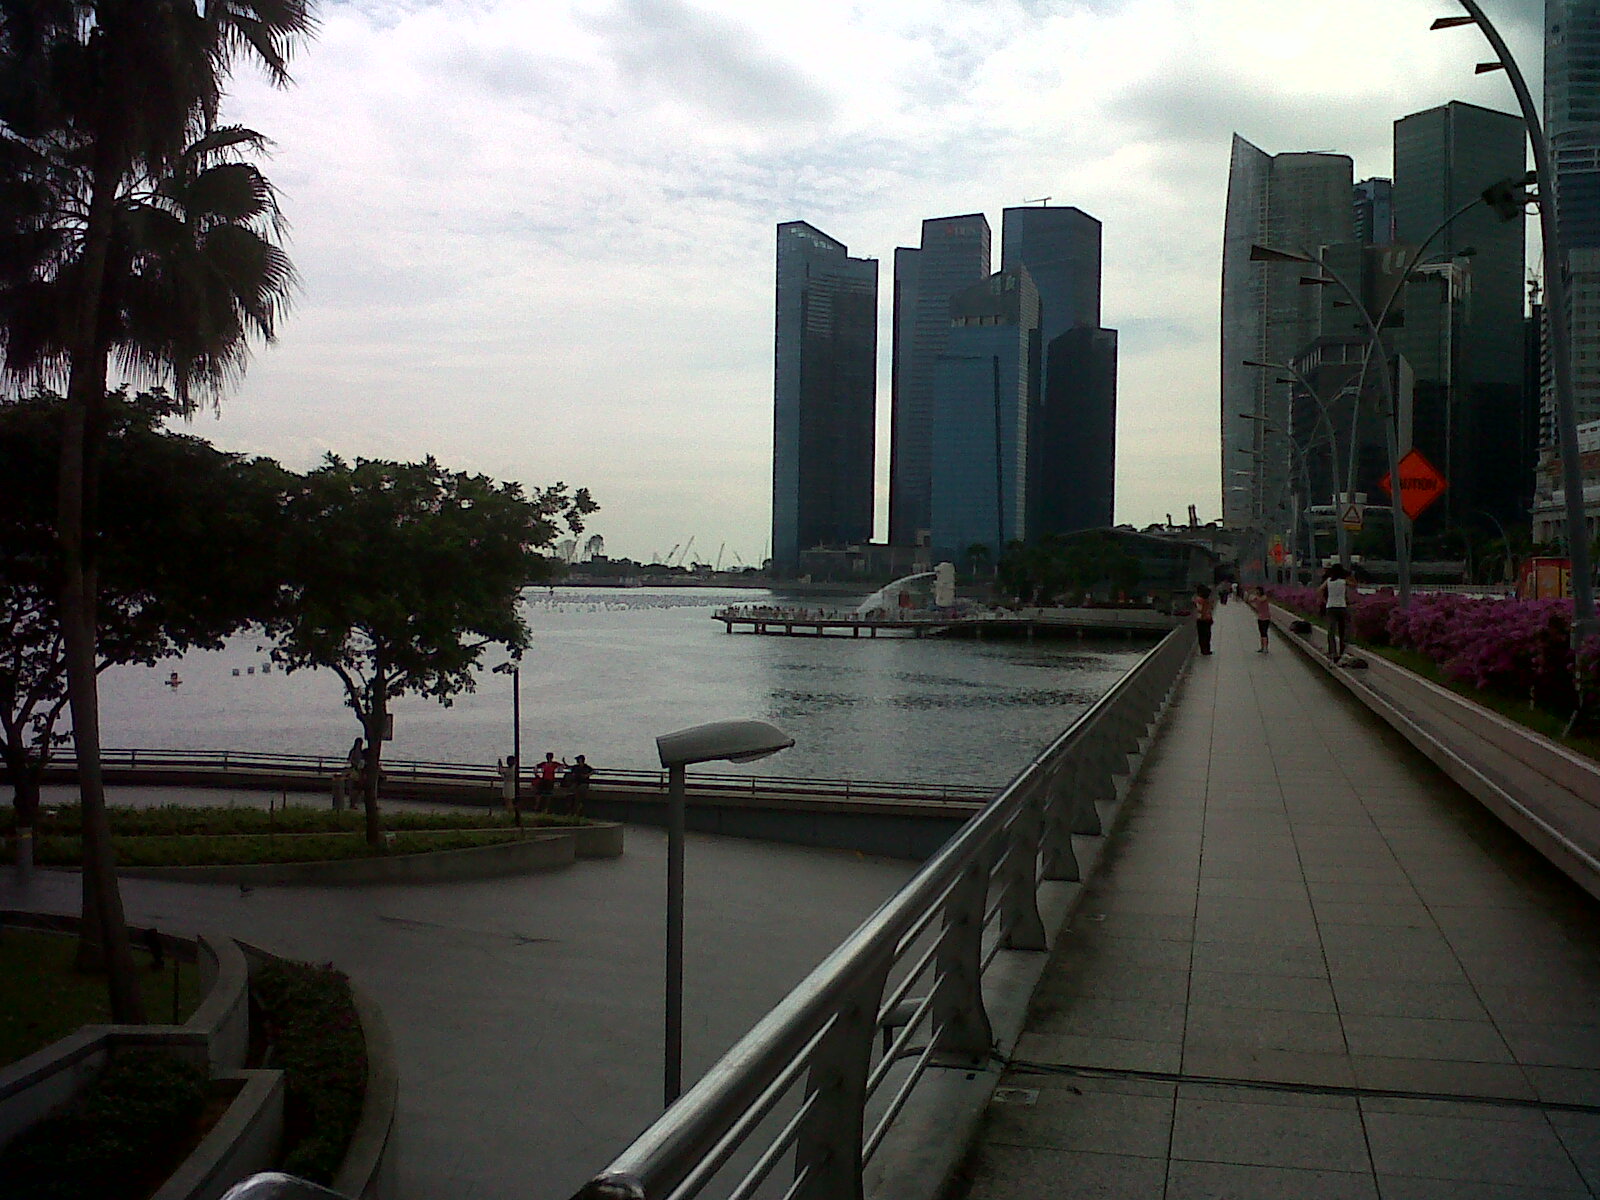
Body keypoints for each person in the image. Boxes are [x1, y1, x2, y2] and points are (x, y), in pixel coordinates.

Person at [1318, 564, 1355, 662]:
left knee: (1331, 631)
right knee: (1342, 630)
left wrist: (1324, 600)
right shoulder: (1343, 581)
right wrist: (1350, 575)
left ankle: (1332, 652)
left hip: (1330, 607)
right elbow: (1354, 585)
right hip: (1342, 607)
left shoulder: (1329, 581)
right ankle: (1342, 650)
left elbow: (1320, 590)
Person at [1193, 583, 1214, 655]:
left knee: (1202, 635)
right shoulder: (1206, 600)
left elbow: (1199, 609)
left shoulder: (1199, 600)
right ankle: (1206, 649)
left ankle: (1203, 649)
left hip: (1201, 619)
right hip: (1207, 619)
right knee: (1207, 635)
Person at [1250, 586, 1271, 653]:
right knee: (1261, 633)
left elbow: (1261, 600)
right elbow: (1250, 600)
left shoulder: (1264, 597)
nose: (1256, 592)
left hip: (1266, 618)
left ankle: (1265, 648)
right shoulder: (1257, 597)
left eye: (1257, 591)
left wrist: (1255, 597)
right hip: (1260, 617)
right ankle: (1262, 647)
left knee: (1264, 632)